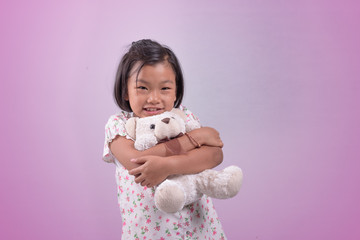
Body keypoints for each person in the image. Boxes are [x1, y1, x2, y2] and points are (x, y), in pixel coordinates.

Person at [103, 39, 227, 239]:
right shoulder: (118, 125)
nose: (154, 98)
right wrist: (193, 139)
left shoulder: (183, 117)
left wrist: (168, 166)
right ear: (126, 90)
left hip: (198, 230)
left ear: (176, 90)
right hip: (149, 234)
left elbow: (214, 154)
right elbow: (136, 159)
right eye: (142, 88)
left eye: (165, 89)